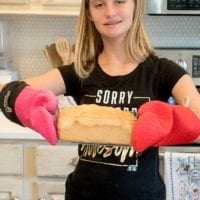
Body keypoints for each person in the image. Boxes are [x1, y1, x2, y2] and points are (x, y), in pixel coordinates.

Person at [0, 0, 200, 199]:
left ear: (135, 5)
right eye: (99, 5)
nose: (110, 11)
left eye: (119, 1)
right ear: (89, 13)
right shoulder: (80, 71)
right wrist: (21, 102)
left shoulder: (163, 72)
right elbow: (7, 90)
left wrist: (172, 122)